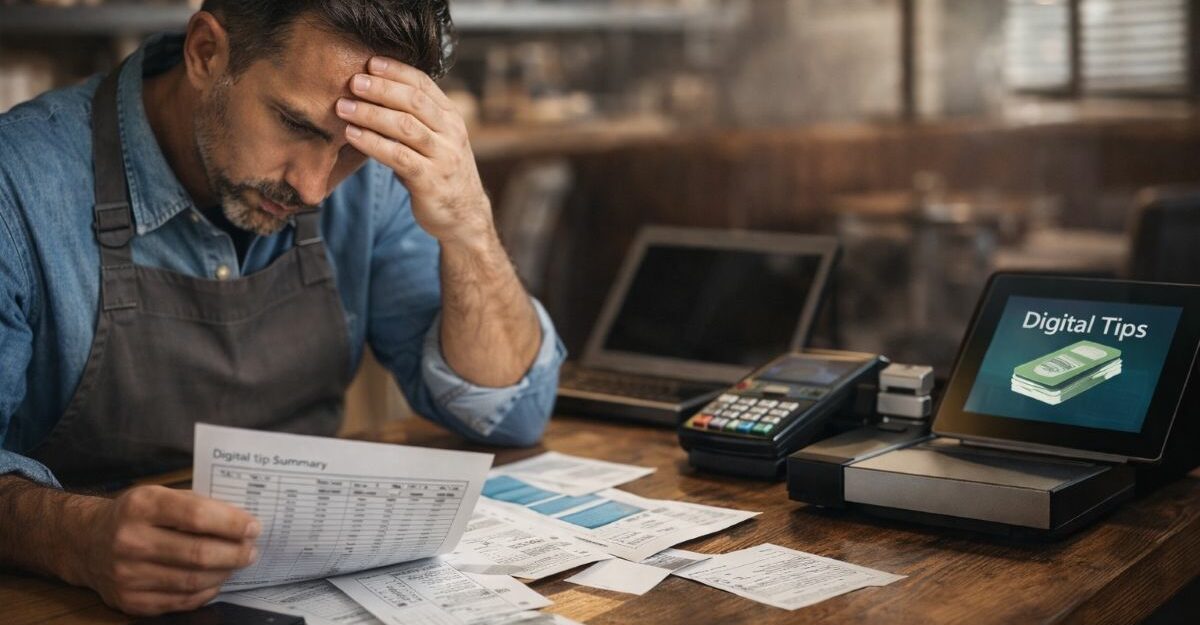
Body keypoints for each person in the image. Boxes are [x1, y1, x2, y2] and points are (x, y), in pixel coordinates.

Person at [0, 0, 565, 615]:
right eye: (296, 125)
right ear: (206, 53)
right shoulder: (19, 185)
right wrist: (75, 538)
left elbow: (510, 414)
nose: (315, 188)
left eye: (353, 149)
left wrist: (469, 226)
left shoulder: (374, 184)